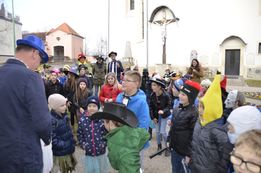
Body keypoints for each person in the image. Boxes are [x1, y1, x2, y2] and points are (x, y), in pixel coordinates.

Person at [0, 35, 52, 172]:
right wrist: (48, 138)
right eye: (40, 61)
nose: (38, 66)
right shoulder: (31, 77)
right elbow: (42, 122)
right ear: (35, 54)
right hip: (23, 156)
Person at [91, 102, 150, 173]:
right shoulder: (132, 132)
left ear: (110, 123)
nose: (103, 124)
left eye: (104, 121)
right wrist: (134, 148)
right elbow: (145, 134)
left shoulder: (118, 145)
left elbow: (129, 168)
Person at [191, 75, 233, 173]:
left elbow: (225, 154)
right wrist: (192, 161)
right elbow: (195, 144)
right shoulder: (199, 122)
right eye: (199, 106)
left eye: (202, 107)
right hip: (196, 167)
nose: (199, 109)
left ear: (211, 110)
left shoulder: (217, 129)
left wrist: (220, 170)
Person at [116, 70, 151, 171]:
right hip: (121, 140)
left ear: (136, 84)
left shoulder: (141, 102)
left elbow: (143, 127)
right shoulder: (119, 97)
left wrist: (131, 143)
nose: (123, 82)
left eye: (127, 80)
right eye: (123, 80)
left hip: (135, 144)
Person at [169, 80, 201, 173]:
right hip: (175, 148)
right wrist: (169, 141)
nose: (180, 96)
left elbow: (194, 135)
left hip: (184, 152)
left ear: (190, 97)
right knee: (175, 170)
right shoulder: (176, 108)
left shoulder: (194, 113)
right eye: (180, 93)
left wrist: (189, 154)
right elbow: (173, 128)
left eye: (183, 95)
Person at [77, 96, 110, 173]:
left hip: (101, 152)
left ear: (98, 107)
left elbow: (107, 134)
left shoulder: (102, 120)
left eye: (94, 106)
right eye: (89, 106)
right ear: (87, 107)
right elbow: (79, 134)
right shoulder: (82, 120)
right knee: (91, 170)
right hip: (89, 153)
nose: (91, 108)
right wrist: (83, 144)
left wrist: (104, 144)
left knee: (101, 169)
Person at [48, 94, 77, 173]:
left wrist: (72, 140)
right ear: (55, 107)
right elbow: (53, 141)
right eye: (62, 105)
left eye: (65, 104)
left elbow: (69, 131)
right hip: (60, 155)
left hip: (68, 151)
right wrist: (67, 144)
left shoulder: (65, 116)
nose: (65, 107)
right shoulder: (51, 121)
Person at [149, 76, 171, 156]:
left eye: (154, 85)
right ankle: (159, 146)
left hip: (164, 116)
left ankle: (167, 147)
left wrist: (163, 111)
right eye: (152, 85)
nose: (152, 87)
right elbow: (150, 107)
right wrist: (153, 117)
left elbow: (169, 106)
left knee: (163, 132)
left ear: (159, 86)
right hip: (156, 116)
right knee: (157, 132)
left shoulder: (166, 95)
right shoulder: (152, 95)